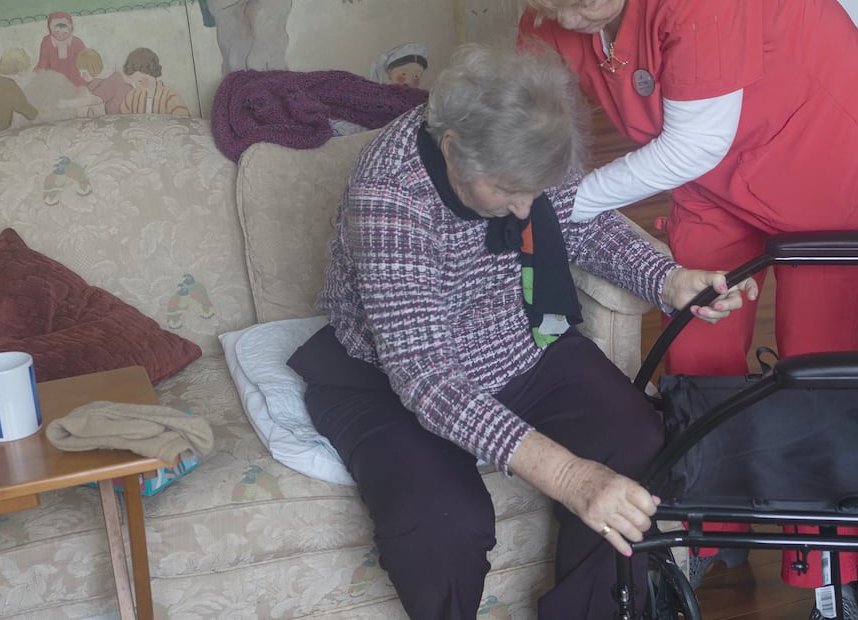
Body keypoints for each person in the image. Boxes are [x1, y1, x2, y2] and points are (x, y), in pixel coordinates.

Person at [487, 0, 858, 612]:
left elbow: (693, 141)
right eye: (554, 4)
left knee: (820, 368)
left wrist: (563, 203)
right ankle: (710, 532)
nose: (575, 21)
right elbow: (538, 124)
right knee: (697, 343)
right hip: (714, 178)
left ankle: (831, 578)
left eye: (592, 0)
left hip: (818, 147)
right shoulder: (555, 3)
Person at [288, 43, 756, 620]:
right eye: (510, 192)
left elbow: (580, 224)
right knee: (440, 523)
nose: (524, 209)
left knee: (634, 440)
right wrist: (570, 476)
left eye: (534, 191)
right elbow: (426, 376)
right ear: (454, 150)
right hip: (385, 378)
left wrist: (669, 278)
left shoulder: (528, 146)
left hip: (511, 342)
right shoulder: (389, 191)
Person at [118, 47, 190, 117]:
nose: (139, 85)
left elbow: (185, 123)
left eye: (143, 78)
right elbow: (123, 123)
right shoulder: (131, 97)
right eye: (137, 82)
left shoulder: (170, 97)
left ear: (153, 72)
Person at [34, 12, 87, 87]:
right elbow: (43, 62)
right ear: (50, 29)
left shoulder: (76, 42)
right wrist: (40, 72)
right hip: (54, 78)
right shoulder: (47, 42)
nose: (60, 34)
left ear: (71, 29)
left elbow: (86, 60)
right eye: (57, 31)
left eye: (64, 31)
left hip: (74, 77)